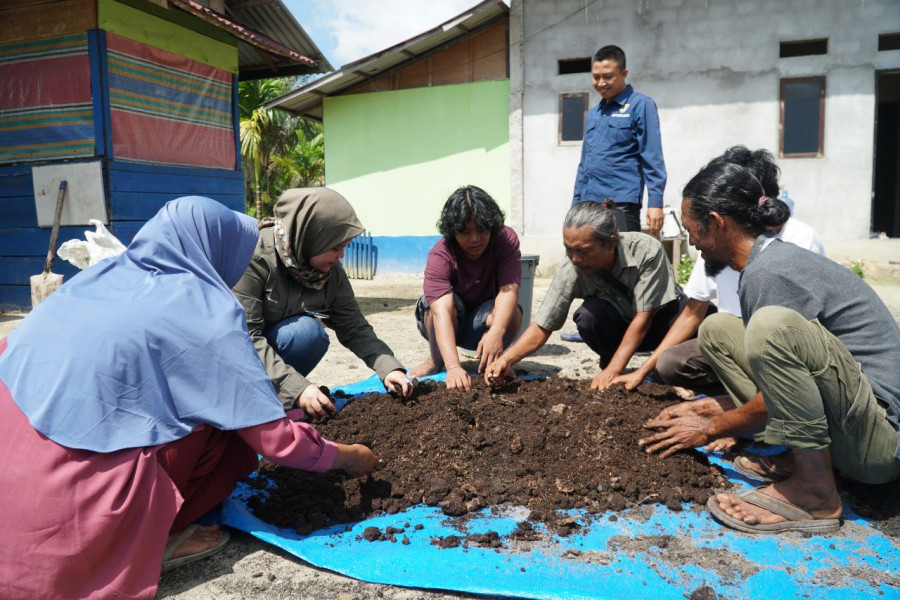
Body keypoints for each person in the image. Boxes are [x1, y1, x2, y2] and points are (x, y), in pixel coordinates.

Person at [0, 197, 379, 599]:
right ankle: (176, 530)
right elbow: (277, 442)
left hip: (13, 471)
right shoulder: (204, 311)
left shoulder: (96, 279)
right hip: (78, 518)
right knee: (229, 432)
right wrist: (350, 457)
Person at [639, 160, 900, 534]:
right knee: (718, 329)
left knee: (770, 326)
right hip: (851, 421)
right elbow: (789, 386)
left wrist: (709, 426)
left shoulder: (771, 272)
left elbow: (779, 385)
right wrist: (710, 406)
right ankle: (800, 456)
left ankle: (815, 492)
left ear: (715, 221)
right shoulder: (764, 262)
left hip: (878, 446)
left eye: (692, 228)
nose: (692, 240)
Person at [614, 146, 825, 400]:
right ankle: (741, 396)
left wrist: (727, 420)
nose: (693, 241)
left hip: (782, 351)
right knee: (674, 361)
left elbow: (795, 337)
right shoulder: (719, 243)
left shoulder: (794, 242)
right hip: (731, 345)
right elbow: (692, 312)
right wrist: (644, 371)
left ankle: (748, 403)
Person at [233, 188, 412, 416]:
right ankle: (250, 401)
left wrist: (388, 368)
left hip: (269, 355)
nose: (341, 256)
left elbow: (353, 325)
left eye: (345, 247)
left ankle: (271, 399)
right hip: (233, 357)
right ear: (310, 238)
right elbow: (243, 338)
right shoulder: (255, 256)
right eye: (335, 248)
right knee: (305, 333)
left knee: (309, 334)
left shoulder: (328, 271)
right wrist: (297, 388)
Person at [485, 199, 686, 391]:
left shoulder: (647, 250)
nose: (574, 258)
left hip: (660, 326)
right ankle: (611, 364)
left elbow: (643, 318)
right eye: (568, 249)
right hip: (621, 329)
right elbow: (543, 325)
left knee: (695, 320)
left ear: (610, 244)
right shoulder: (571, 268)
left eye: (583, 251)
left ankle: (649, 370)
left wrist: (612, 372)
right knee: (589, 315)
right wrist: (506, 359)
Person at [408, 186, 522, 390]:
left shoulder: (505, 240)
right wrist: (453, 367)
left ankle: (495, 361)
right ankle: (436, 360)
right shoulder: (440, 255)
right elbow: (441, 312)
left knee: (513, 312)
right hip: (448, 322)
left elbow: (509, 290)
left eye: (482, 230)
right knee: (439, 307)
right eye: (466, 232)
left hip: (481, 320)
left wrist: (496, 332)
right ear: (453, 231)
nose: (475, 239)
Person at [572, 45, 667, 238]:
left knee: (622, 263)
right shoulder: (594, 114)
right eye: (595, 77)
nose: (600, 82)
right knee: (586, 263)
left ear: (624, 73)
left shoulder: (640, 105)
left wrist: (655, 203)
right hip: (588, 205)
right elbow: (584, 165)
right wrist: (575, 205)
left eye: (607, 76)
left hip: (620, 204)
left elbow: (652, 156)